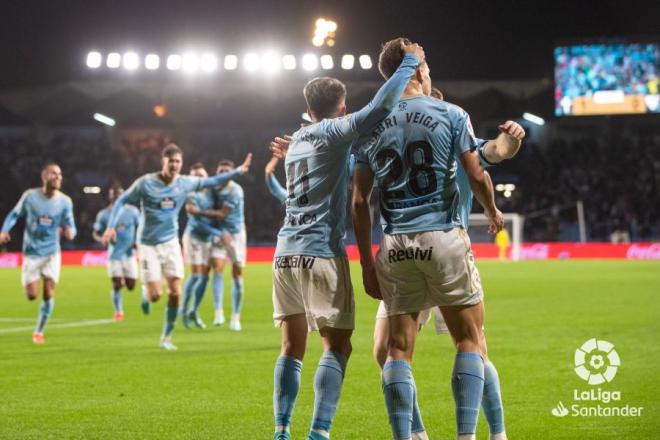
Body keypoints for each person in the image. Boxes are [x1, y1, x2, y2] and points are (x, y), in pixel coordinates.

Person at [351, 37, 508, 440]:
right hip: (443, 236)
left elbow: (358, 202)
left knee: (396, 350)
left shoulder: (367, 126)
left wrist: (368, 265)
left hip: (396, 244)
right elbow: (476, 174)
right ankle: (467, 436)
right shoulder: (451, 113)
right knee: (470, 340)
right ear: (419, 69)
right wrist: (491, 210)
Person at [270, 42, 425, 440]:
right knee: (337, 348)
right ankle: (318, 434)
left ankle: (282, 430)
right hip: (321, 252)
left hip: (284, 253)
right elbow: (378, 108)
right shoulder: (333, 130)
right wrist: (408, 63)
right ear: (341, 109)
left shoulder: (296, 145)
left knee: (291, 347)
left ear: (308, 109)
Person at [101, 143, 252, 350]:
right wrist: (111, 227)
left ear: (181, 163)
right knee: (156, 296)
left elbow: (213, 180)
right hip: (147, 245)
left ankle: (166, 337)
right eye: (170, 161)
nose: (174, 165)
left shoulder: (185, 183)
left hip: (171, 242)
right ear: (163, 161)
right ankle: (147, 293)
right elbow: (121, 200)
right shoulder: (146, 183)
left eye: (178, 161)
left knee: (175, 292)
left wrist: (238, 171)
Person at [0, 162, 76, 344]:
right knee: (32, 295)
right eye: (53, 173)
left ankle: (39, 331)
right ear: (44, 177)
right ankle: (32, 291)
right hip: (32, 252)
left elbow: (70, 223)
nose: (58, 177)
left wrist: (71, 231)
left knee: (49, 292)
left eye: (59, 174)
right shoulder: (30, 197)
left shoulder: (65, 201)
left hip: (52, 252)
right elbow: (14, 214)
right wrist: (4, 230)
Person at [181, 162, 229, 329]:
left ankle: (193, 311)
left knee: (205, 277)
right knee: (196, 276)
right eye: (195, 176)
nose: (199, 178)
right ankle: (183, 309)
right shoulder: (191, 195)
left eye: (201, 175)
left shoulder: (212, 192)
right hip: (193, 237)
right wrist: (218, 234)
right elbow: (197, 223)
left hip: (208, 238)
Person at [93, 186, 140, 321]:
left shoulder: (133, 211)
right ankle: (118, 311)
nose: (117, 196)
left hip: (129, 253)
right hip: (114, 255)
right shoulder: (104, 214)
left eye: (119, 194)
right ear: (110, 196)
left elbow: (140, 226)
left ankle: (124, 279)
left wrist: (137, 241)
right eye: (114, 194)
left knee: (131, 286)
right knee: (117, 284)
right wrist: (103, 238)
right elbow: (96, 232)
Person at [210, 160, 247, 331]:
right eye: (220, 170)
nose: (222, 173)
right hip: (218, 234)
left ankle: (235, 316)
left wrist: (197, 211)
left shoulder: (235, 190)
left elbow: (223, 213)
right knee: (217, 268)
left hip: (235, 234)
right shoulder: (212, 188)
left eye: (226, 171)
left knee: (237, 274)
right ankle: (218, 312)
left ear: (231, 173)